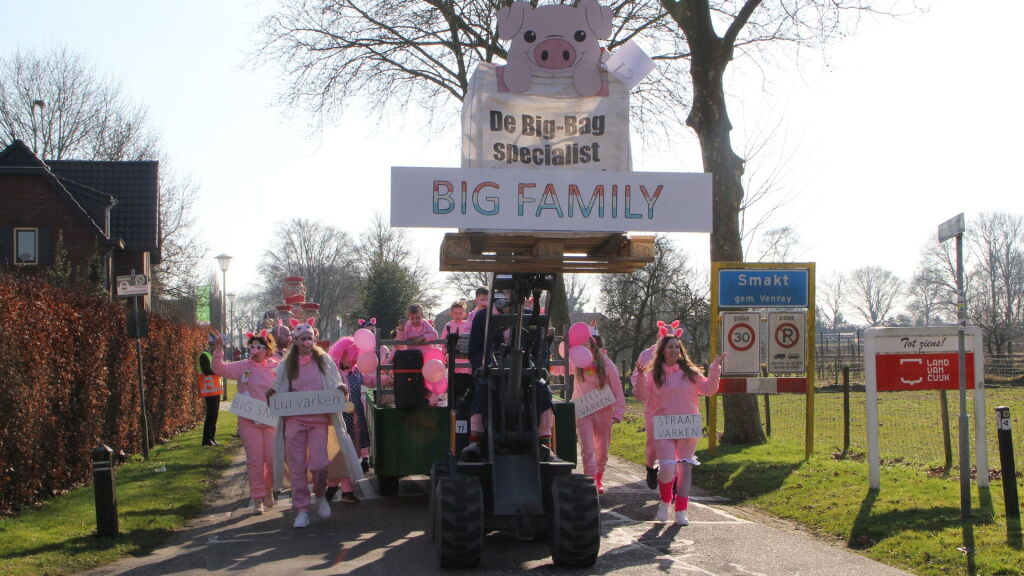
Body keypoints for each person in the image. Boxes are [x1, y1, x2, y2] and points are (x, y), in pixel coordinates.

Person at [270, 317, 362, 529]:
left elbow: (335, 380)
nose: (307, 342)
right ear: (295, 341)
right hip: (294, 420)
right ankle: (302, 510)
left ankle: (320, 496)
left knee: (319, 465)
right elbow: (278, 385)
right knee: (297, 466)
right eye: (302, 338)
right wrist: (273, 392)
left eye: (309, 338)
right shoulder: (287, 364)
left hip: (318, 419)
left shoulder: (324, 360)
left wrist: (340, 389)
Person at [463, 291, 555, 460]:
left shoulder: (531, 317)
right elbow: (475, 350)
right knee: (483, 388)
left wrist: (536, 368)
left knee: (543, 389)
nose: (510, 295)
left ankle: (545, 444)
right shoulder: (483, 317)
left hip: (525, 374)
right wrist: (484, 367)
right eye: (506, 291)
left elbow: (540, 350)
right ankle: (475, 441)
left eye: (513, 292)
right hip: (493, 372)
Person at [643, 333, 724, 526]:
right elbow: (642, 395)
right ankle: (665, 503)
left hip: (686, 425)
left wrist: (715, 369)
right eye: (670, 347)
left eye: (677, 347)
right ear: (662, 351)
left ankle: (681, 510)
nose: (674, 350)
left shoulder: (690, 372)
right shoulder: (654, 374)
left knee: (684, 469)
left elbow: (709, 389)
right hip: (664, 426)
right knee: (667, 468)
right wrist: (639, 378)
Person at [212, 328, 278, 514]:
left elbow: (292, 381)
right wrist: (219, 350)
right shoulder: (243, 366)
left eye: (259, 347)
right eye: (252, 347)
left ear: (267, 349)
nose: (255, 351)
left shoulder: (276, 367)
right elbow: (219, 368)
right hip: (249, 422)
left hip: (271, 421)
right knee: (255, 460)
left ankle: (268, 489)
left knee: (272, 459)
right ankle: (257, 498)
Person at [572, 334, 625, 495]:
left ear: (593, 346)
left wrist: (618, 412)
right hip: (583, 412)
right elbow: (560, 368)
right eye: (581, 345)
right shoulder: (576, 362)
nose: (583, 348)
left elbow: (618, 391)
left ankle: (599, 476)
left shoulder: (608, 366)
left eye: (586, 344)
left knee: (601, 450)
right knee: (587, 448)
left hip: (603, 413)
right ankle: (590, 481)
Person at [633, 320, 678, 490]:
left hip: (674, 408)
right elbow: (636, 378)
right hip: (653, 407)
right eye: (664, 338)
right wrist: (643, 385)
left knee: (675, 443)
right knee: (653, 441)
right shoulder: (646, 355)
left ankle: (674, 478)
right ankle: (651, 468)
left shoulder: (678, 356)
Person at [326, 336, 370, 502]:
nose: (353, 361)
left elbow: (367, 379)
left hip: (356, 422)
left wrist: (386, 379)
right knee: (338, 455)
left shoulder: (356, 371)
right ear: (342, 354)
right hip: (339, 421)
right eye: (351, 357)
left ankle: (345, 489)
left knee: (352, 456)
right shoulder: (332, 373)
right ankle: (335, 486)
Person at [197, 334, 224, 446]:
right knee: (211, 414)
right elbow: (207, 371)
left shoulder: (211, 355)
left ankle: (212, 438)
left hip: (215, 389)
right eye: (215, 346)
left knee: (214, 414)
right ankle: (206, 440)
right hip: (209, 389)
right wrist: (220, 370)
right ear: (211, 345)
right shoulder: (204, 355)